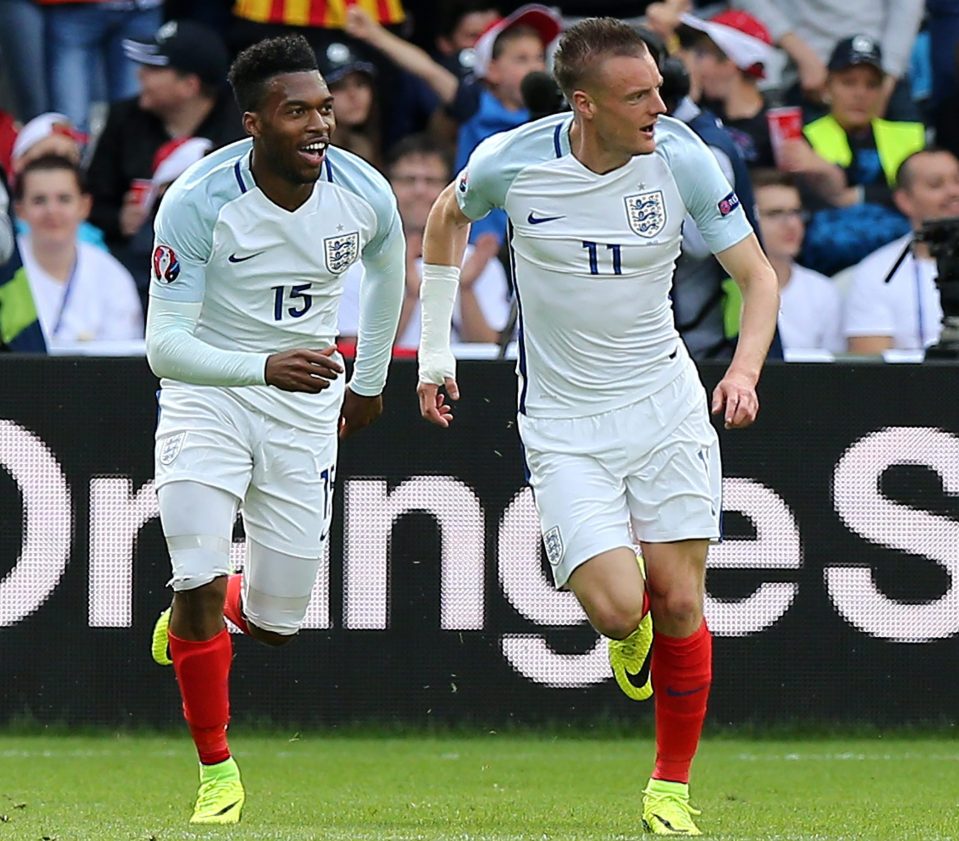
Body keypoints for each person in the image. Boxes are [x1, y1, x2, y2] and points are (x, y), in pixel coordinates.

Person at [416, 17, 778, 836]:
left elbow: (756, 279)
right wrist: (433, 350)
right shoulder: (512, 161)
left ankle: (669, 786)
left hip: (663, 400)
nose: (660, 103)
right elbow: (444, 219)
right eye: (638, 95)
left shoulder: (684, 157)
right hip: (563, 419)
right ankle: (627, 638)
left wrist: (744, 371)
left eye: (657, 86)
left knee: (681, 598)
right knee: (621, 610)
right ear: (583, 105)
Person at [146, 35, 404, 824]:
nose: (319, 124)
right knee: (192, 571)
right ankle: (217, 770)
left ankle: (221, 604)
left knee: (275, 625)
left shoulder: (361, 190)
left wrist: (369, 381)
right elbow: (164, 346)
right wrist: (260, 367)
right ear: (254, 122)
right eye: (298, 112)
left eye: (324, 108)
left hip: (302, 411)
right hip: (209, 396)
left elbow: (390, 265)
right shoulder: (195, 201)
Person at [338, 133, 510, 348]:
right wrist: (409, 294)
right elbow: (354, 356)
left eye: (430, 181)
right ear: (387, 187)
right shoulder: (357, 263)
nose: (419, 191)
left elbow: (491, 350)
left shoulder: (479, 264)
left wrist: (465, 288)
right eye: (409, 180)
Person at [86, 20, 244, 252]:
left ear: (189, 86)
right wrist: (119, 219)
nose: (140, 74)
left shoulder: (242, 131)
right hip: (135, 265)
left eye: (154, 69)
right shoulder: (123, 119)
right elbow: (91, 200)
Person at [779, 35, 923, 275]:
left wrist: (857, 194)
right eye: (848, 82)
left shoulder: (909, 135)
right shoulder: (803, 136)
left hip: (903, 267)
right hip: (824, 270)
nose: (860, 94)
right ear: (828, 87)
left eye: (871, 84)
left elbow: (925, 195)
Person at [14, 154, 142, 352]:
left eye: (64, 199)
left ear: (84, 206)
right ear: (20, 210)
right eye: (39, 200)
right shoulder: (5, 268)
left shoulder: (112, 277)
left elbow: (122, 360)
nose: (52, 211)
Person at [844, 148, 959, 354]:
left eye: (958, 180)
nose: (953, 192)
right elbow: (871, 369)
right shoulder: (876, 272)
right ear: (904, 200)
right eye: (936, 184)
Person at [739, 169, 844, 354]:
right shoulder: (726, 290)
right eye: (775, 213)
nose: (791, 223)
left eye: (796, 212)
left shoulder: (823, 291)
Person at [680, 10, 778, 169]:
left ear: (730, 64)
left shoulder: (773, 127)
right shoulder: (699, 112)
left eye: (701, 54)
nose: (694, 64)